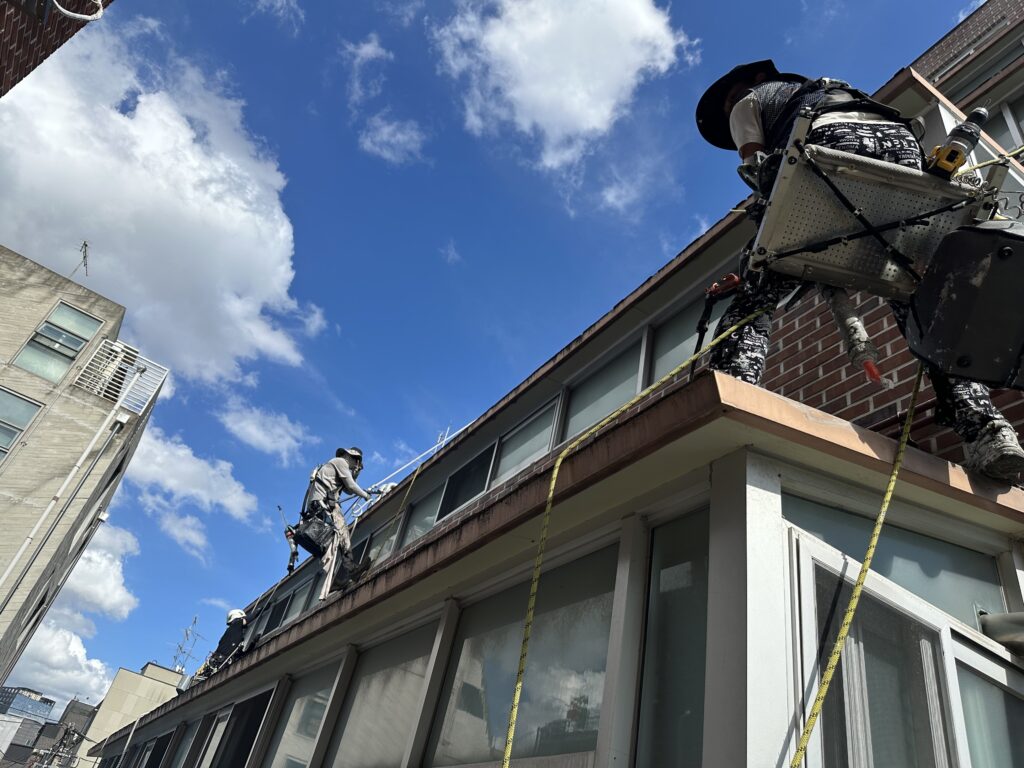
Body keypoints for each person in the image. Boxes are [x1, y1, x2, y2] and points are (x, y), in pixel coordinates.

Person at [694, 59, 1024, 481]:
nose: (729, 109)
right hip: (903, 157)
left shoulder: (749, 100)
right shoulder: (838, 90)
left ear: (757, 79)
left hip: (829, 152)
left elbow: (756, 166)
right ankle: (988, 431)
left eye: (727, 100)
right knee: (917, 303)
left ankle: (732, 391)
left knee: (755, 294)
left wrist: (763, 245)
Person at [307, 447, 374, 600]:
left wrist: (356, 473)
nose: (356, 464)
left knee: (332, 544)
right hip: (325, 504)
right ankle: (352, 570)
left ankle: (334, 581)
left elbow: (348, 489)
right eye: (356, 461)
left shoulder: (337, 465)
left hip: (318, 505)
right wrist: (366, 495)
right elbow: (351, 486)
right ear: (349, 456)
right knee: (343, 537)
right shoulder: (340, 461)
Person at [195, 609, 247, 679]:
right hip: (222, 663)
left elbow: (241, 654)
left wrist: (253, 643)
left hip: (218, 663)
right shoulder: (237, 624)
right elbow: (252, 616)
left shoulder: (228, 634)